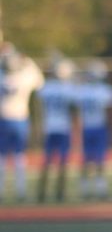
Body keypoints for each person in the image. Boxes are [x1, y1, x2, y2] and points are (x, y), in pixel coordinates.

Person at [0, 46, 45, 202]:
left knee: (2, 157)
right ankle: (21, 190)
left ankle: (1, 190)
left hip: (3, 120)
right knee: (19, 156)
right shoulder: (24, 77)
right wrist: (26, 60)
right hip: (20, 120)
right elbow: (39, 80)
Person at [36, 57, 76, 203]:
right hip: (63, 128)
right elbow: (73, 109)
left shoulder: (46, 88)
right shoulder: (69, 88)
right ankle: (60, 192)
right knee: (63, 161)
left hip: (49, 127)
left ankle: (41, 193)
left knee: (47, 161)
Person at [76, 59, 112, 200]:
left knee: (86, 159)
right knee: (99, 160)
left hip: (87, 128)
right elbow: (109, 113)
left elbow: (76, 111)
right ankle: (101, 189)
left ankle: (85, 189)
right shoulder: (105, 90)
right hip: (99, 127)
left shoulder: (82, 90)